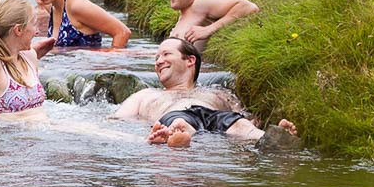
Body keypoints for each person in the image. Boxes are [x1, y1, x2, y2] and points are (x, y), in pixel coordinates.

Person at [112, 38, 296, 146]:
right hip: (175, 115)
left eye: (166, 54)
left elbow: (244, 115)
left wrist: (255, 124)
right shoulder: (145, 94)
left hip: (215, 115)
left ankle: (275, 138)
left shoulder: (219, 92)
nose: (159, 61)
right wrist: (149, 134)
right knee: (181, 123)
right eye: (157, 58)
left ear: (190, 60)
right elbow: (117, 122)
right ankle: (176, 137)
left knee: (242, 126)